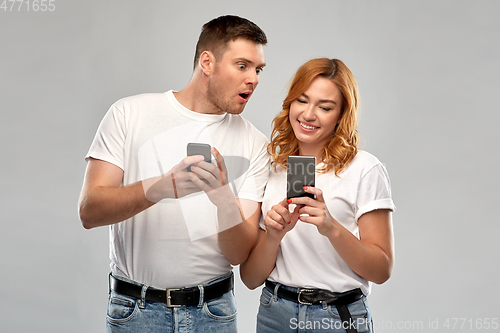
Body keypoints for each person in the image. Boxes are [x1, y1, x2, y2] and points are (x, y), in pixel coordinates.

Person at [78, 15, 270, 333]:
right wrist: (161, 188)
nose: (254, 79)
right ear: (207, 62)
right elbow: (90, 211)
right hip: (135, 313)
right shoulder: (129, 114)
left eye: (258, 69)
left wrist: (223, 198)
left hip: (214, 314)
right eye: (242, 65)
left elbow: (238, 254)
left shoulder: (255, 143)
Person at [240, 58, 396, 333]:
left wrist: (331, 227)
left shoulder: (364, 169)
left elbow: (381, 270)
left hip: (337, 317)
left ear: (341, 114)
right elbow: (251, 278)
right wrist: (274, 235)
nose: (309, 114)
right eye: (302, 100)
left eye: (325, 107)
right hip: (275, 314)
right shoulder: (273, 166)